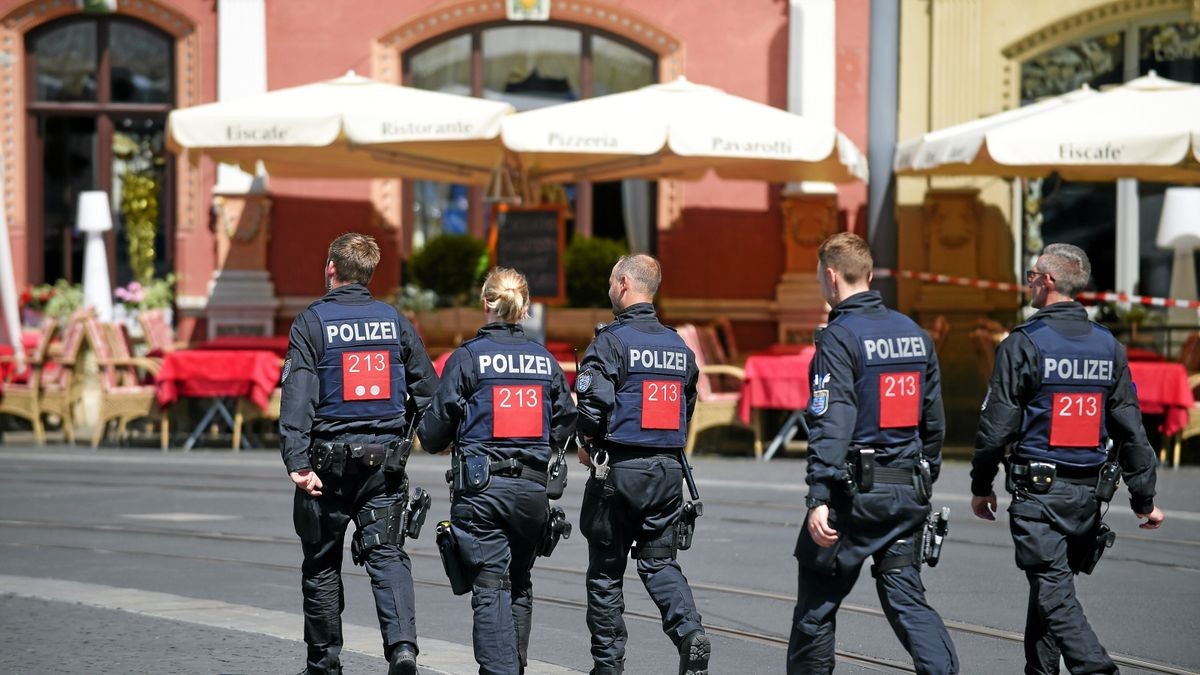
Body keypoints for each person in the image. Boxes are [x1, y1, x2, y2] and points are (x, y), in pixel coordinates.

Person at [971, 243, 1164, 674]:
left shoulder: (1023, 344)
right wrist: (1143, 498)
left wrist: (981, 485)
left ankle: (1096, 669)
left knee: (1054, 593)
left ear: (1048, 280)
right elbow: (1130, 429)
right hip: (1086, 495)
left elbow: (996, 428)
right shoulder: (1107, 346)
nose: (1029, 282)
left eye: (1032, 275)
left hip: (1039, 492)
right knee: (1050, 587)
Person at [788, 232, 958, 675]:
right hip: (905, 496)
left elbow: (833, 422)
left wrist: (818, 496)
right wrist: (925, 475)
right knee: (906, 598)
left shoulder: (840, 339)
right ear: (867, 273)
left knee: (817, 608)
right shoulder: (916, 335)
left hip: (853, 500)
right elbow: (933, 420)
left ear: (830, 277)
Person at [280, 233, 437, 675]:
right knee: (387, 555)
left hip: (326, 467)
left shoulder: (312, 323)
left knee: (322, 562)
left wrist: (297, 462)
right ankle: (403, 650)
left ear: (331, 267)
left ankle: (324, 665)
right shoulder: (395, 321)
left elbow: (298, 397)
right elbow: (429, 393)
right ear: (369, 273)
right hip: (384, 465)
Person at [418, 267, 577, 674]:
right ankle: (514, 667)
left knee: (490, 587)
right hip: (533, 495)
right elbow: (564, 424)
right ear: (524, 308)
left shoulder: (468, 358)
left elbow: (433, 434)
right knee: (519, 583)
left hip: (482, 492)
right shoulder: (545, 361)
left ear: (485, 303)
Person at [575, 253, 710, 675]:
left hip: (618, 471)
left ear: (624, 285)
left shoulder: (612, 341)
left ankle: (609, 666)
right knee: (659, 562)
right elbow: (688, 405)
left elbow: (593, 404)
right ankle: (690, 633)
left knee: (606, 571)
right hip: (668, 472)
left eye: (612, 280)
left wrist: (586, 440)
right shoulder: (677, 346)